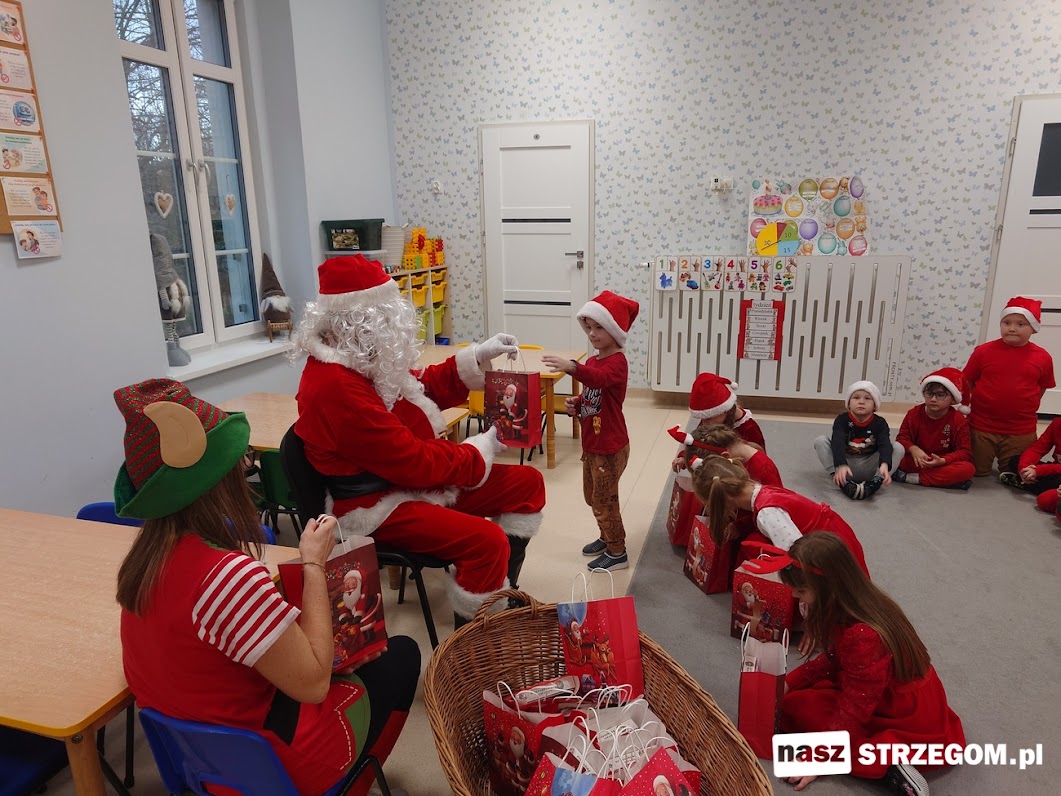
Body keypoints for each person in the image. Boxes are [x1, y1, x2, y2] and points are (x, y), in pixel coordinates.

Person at [113, 378, 421, 795]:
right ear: (218, 481)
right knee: (403, 654)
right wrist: (313, 562)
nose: (245, 472)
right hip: (272, 771)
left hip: (203, 765)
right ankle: (350, 785)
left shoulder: (142, 565)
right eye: (240, 463)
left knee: (344, 661)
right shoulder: (228, 576)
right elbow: (313, 685)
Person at [292, 254, 545, 624]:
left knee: (527, 484)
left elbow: (418, 387)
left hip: (407, 482)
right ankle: (477, 633)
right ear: (364, 320)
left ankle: (501, 592)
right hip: (375, 505)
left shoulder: (359, 357)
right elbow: (413, 461)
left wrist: (477, 357)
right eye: (388, 316)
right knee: (485, 541)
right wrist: (481, 450)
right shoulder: (336, 387)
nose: (396, 324)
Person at [778, 533, 965, 795]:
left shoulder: (862, 636)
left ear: (828, 588)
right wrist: (791, 681)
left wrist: (819, 757)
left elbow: (855, 708)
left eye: (801, 591)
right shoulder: (862, 602)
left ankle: (888, 765)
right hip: (894, 693)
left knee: (797, 711)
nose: (796, 597)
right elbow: (837, 659)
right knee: (796, 699)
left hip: (900, 711)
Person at [543, 290, 639, 571]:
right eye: (589, 327)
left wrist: (571, 367)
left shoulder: (617, 362)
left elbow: (599, 379)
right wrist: (577, 404)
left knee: (604, 501)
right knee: (593, 498)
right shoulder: (595, 361)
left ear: (614, 330)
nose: (592, 333)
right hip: (593, 445)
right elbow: (593, 393)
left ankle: (617, 552)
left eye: (599, 327)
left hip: (610, 446)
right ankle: (606, 536)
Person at [691, 455, 869, 577]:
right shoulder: (761, 490)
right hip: (831, 535)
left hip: (830, 552)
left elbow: (796, 555)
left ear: (723, 500)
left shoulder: (766, 513)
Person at [963, 296, 1055, 479]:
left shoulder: (1043, 357)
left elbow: (1042, 387)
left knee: (1014, 472)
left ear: (1033, 328)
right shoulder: (983, 352)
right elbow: (968, 380)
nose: (1012, 328)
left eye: (1021, 324)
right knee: (975, 471)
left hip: (1020, 429)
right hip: (981, 426)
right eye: (1007, 323)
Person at [892, 368, 975, 490]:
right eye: (929, 394)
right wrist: (914, 449)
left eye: (940, 395)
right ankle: (942, 480)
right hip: (917, 460)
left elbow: (964, 451)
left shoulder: (958, 420)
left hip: (942, 462)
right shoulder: (913, 414)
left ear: (952, 399)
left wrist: (943, 460)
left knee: (968, 469)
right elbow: (902, 439)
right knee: (891, 454)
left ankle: (912, 478)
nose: (933, 399)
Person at [813, 380, 895, 500]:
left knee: (897, 448)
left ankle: (874, 483)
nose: (861, 402)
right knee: (820, 441)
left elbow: (885, 444)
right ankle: (843, 481)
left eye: (867, 398)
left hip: (869, 466)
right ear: (849, 404)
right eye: (856, 398)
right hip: (846, 466)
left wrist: (884, 463)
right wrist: (840, 464)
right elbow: (837, 442)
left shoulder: (880, 423)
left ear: (875, 405)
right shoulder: (842, 420)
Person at [999, 416, 1061, 513]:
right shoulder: (1057, 423)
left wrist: (1038, 471)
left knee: (1055, 483)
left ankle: (1027, 484)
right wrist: (1024, 468)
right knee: (1015, 460)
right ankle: (1028, 480)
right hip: (1054, 470)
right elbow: (1037, 449)